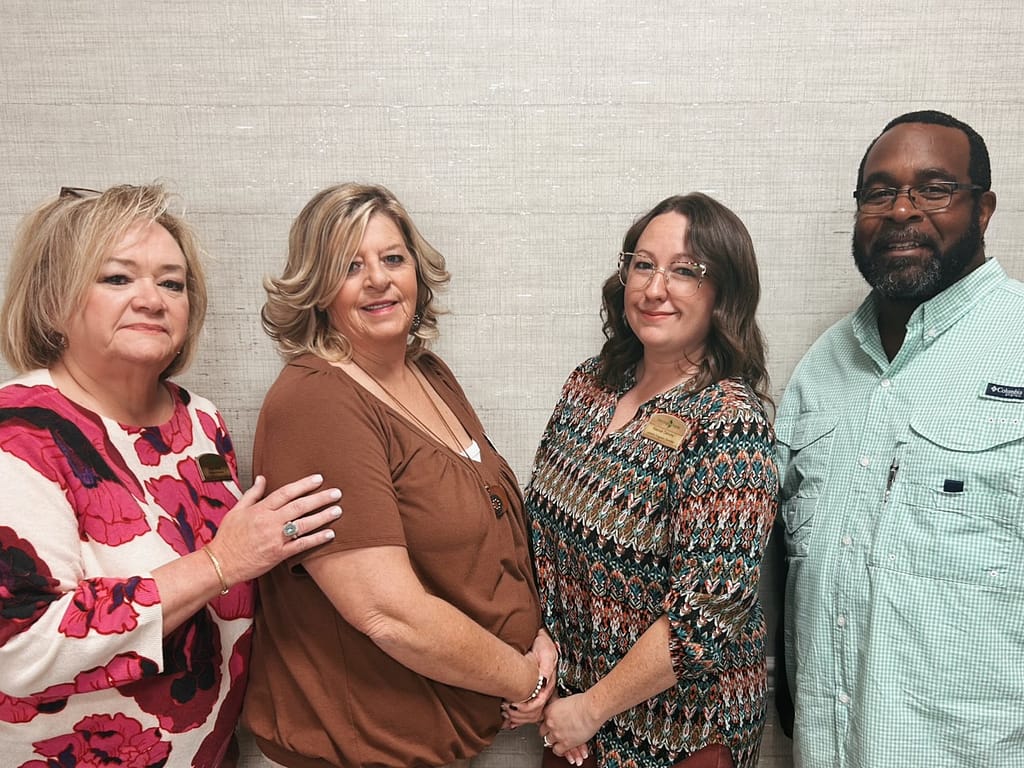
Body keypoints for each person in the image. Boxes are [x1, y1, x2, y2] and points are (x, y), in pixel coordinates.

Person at [0, 184, 342, 766]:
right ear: (53, 302)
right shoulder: (19, 433)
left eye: (171, 283)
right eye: (117, 278)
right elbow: (23, 648)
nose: (152, 300)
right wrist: (221, 562)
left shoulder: (200, 421)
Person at [242, 182, 552, 768]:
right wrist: (523, 680)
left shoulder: (428, 373)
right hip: (369, 749)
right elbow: (389, 615)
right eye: (349, 266)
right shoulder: (317, 402)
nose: (378, 279)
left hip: (454, 733)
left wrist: (535, 640)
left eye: (392, 258)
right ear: (316, 288)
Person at [776, 110, 1024, 766]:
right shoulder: (820, 368)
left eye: (935, 189)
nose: (902, 210)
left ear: (983, 209)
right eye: (879, 193)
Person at [515, 193, 779, 768]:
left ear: (724, 293)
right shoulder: (589, 385)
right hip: (573, 721)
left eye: (685, 271)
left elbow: (707, 614)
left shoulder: (728, 423)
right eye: (643, 264)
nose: (655, 288)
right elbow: (541, 534)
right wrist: (544, 640)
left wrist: (592, 708)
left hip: (679, 735)